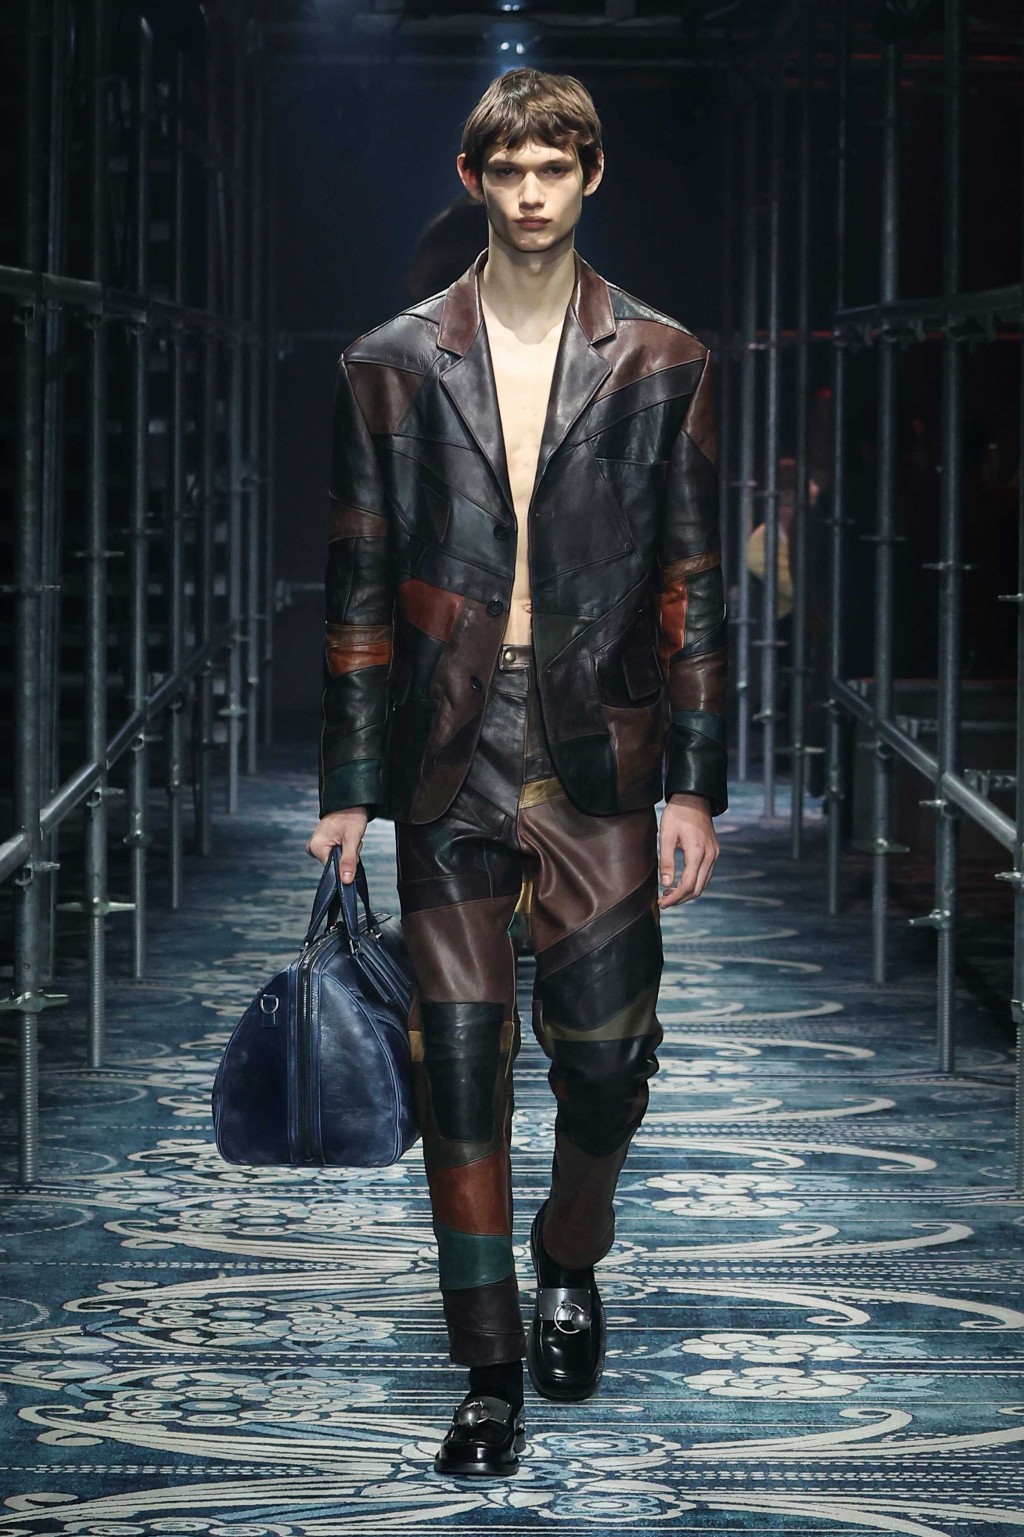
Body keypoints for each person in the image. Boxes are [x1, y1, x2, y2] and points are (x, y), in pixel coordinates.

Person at [306, 67, 728, 1478]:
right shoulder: (391, 360)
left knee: (605, 1064)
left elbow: (692, 583)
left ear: (591, 176)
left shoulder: (661, 358)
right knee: (460, 1068)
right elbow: (358, 583)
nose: (532, 194)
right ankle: (489, 1366)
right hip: (449, 748)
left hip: (599, 744)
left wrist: (694, 784)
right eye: (509, 170)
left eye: (555, 168)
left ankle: (570, 1251)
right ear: (474, 181)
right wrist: (347, 786)